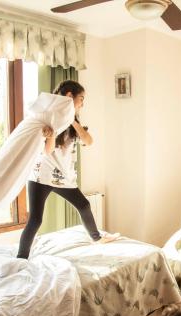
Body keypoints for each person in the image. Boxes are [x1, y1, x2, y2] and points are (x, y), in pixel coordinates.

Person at [17, 80, 119, 259]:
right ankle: (21, 258)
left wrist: (73, 121)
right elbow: (47, 150)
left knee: (84, 205)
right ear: (70, 96)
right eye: (81, 98)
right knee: (35, 219)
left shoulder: (71, 121)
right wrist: (51, 134)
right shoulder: (48, 116)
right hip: (42, 175)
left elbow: (89, 141)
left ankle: (96, 238)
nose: (82, 103)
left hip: (63, 177)